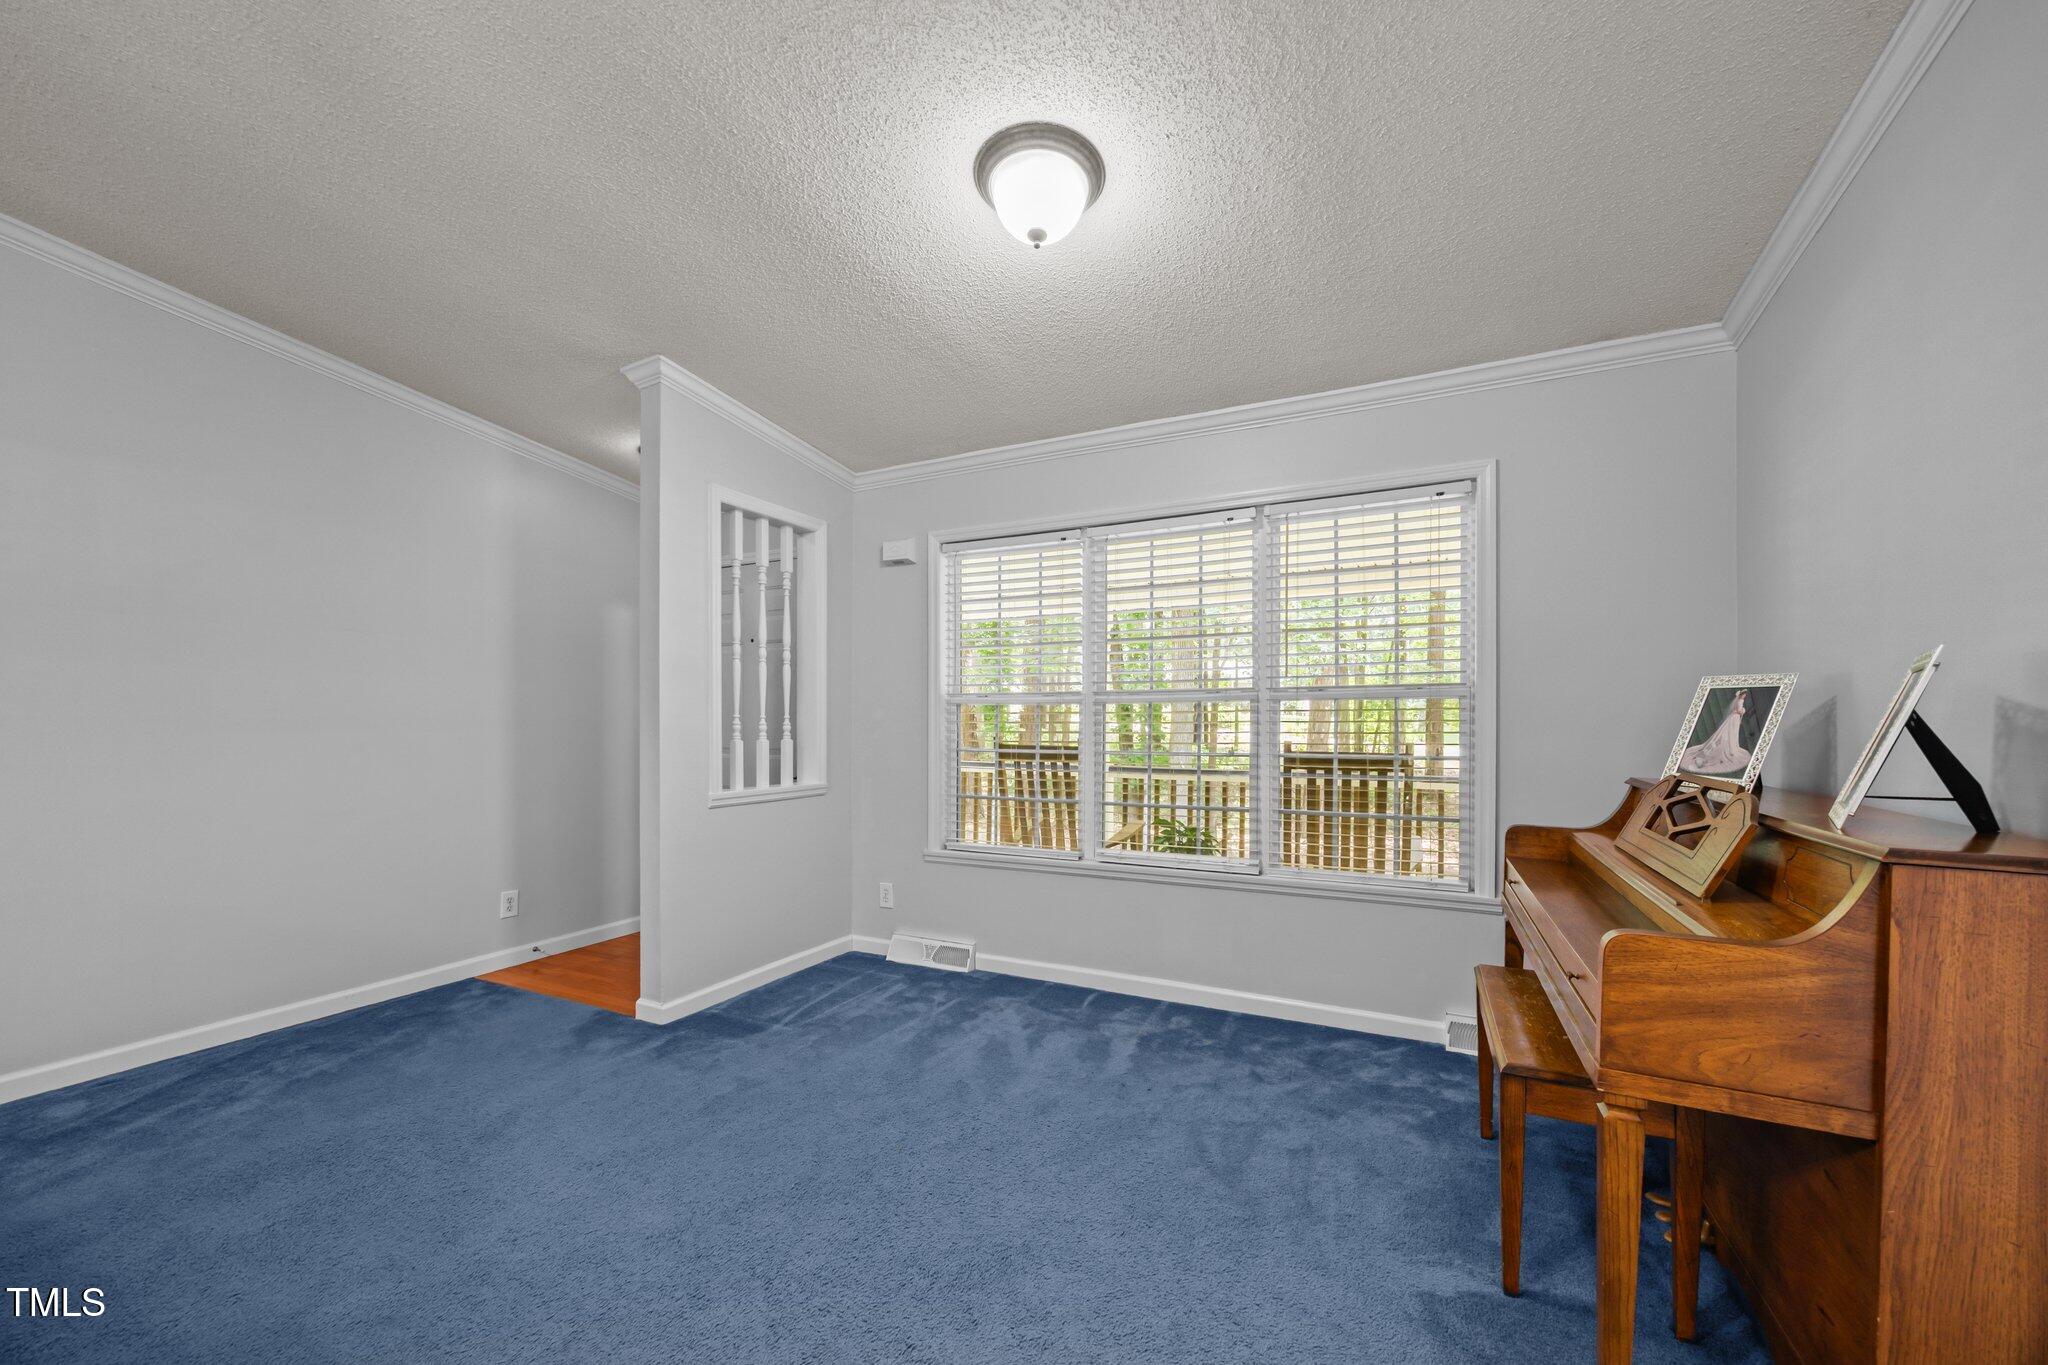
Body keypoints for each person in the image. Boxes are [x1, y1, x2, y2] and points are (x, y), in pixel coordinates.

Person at [1681, 688, 1750, 776]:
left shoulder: (1738, 700)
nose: (1745, 696)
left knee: (1729, 733)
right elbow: (1739, 711)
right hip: (1735, 718)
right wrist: (1743, 710)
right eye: (1744, 694)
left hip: (1733, 718)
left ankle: (1727, 744)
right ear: (1742, 695)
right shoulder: (1740, 701)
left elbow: (1734, 709)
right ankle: (1729, 747)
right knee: (1731, 733)